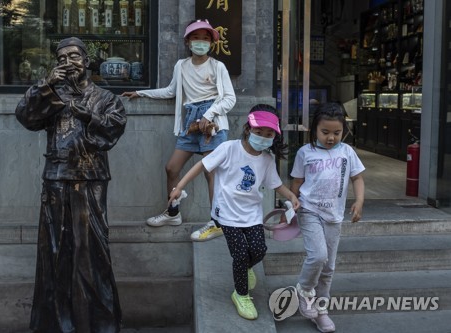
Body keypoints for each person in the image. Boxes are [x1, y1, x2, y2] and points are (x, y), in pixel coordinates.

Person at [15, 37, 126, 333]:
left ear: (86, 61)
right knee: (55, 254)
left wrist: (86, 113)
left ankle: (98, 325)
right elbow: (26, 116)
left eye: (74, 56)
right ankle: (56, 325)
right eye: (61, 58)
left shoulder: (105, 98)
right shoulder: (52, 95)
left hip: (90, 181)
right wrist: (45, 85)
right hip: (55, 180)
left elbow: (112, 131)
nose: (67, 63)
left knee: (92, 254)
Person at [169, 104, 300, 320]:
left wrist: (292, 196)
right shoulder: (229, 148)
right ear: (248, 129)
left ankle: (244, 268)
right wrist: (179, 186)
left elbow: (276, 184)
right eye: (259, 132)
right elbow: (201, 165)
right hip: (227, 214)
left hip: (252, 215)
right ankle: (240, 294)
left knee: (259, 250)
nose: (263, 137)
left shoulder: (267, 160)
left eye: (268, 135)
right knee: (239, 254)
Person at [121, 19, 236, 242]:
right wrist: (141, 93)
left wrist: (209, 114)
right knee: (171, 168)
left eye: (205, 38)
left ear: (211, 42)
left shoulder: (217, 66)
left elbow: (230, 98)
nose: (201, 42)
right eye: (196, 38)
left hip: (211, 123)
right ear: (187, 41)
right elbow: (171, 91)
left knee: (211, 172)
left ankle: (217, 221)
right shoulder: (181, 65)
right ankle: (173, 212)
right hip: (190, 121)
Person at [290, 102, 365, 333]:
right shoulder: (305, 152)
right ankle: (303, 291)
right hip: (310, 210)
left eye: (337, 132)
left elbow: (358, 178)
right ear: (314, 129)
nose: (331, 137)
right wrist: (290, 207)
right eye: (325, 132)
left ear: (344, 130)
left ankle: (321, 311)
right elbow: (297, 183)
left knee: (329, 267)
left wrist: (359, 201)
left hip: (334, 215)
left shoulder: (347, 152)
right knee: (318, 256)